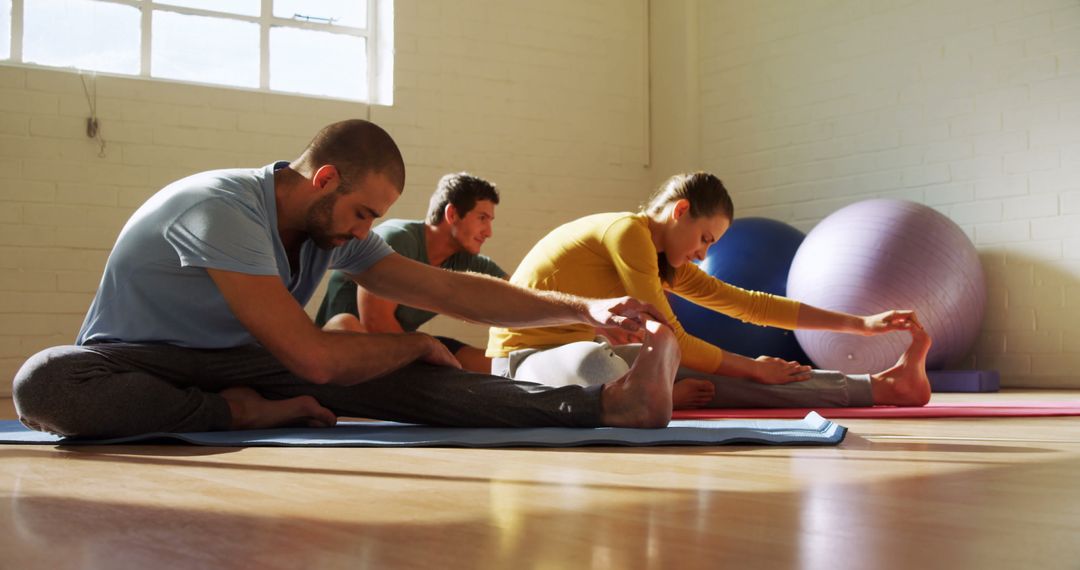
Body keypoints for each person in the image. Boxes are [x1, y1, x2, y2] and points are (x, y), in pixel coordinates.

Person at [12, 119, 682, 439]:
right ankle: (235, 412)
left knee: (423, 380)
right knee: (43, 384)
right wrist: (411, 344)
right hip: (133, 362)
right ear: (324, 180)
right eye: (363, 213)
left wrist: (586, 309)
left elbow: (448, 290)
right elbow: (311, 357)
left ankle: (607, 406)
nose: (366, 230)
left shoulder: (332, 230)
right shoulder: (219, 210)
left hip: (243, 361)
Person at [487, 172, 932, 409]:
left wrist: (861, 324)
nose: (703, 254)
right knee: (597, 361)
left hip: (597, 364)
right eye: (705, 239)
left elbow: (751, 305)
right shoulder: (627, 233)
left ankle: (881, 387)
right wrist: (751, 368)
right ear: (680, 211)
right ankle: (651, 393)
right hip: (522, 365)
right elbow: (669, 337)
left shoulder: (666, 260)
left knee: (704, 376)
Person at [315, 172, 506, 373]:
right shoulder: (398, 239)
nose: (489, 232)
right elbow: (375, 324)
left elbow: (518, 289)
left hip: (402, 348)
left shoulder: (465, 258)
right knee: (347, 324)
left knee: (492, 365)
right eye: (482, 218)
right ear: (452, 214)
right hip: (348, 344)